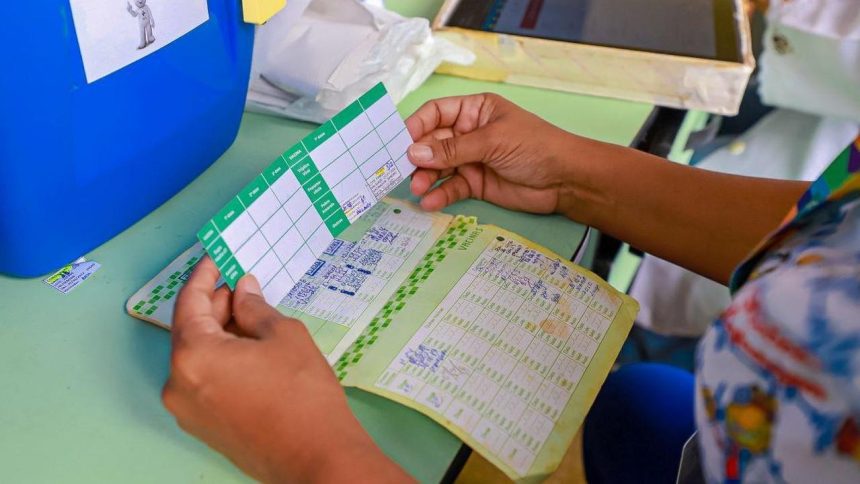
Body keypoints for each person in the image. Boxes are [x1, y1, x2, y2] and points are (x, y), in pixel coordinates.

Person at [163, 92, 858, 482]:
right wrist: (576, 176)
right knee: (628, 410)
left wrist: (311, 456)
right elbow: (837, 225)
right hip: (716, 441)